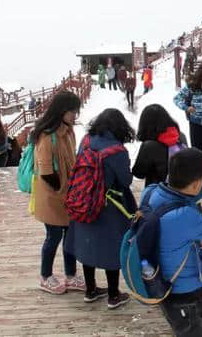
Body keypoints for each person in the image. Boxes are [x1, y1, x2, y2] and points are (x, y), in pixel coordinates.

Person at [143, 148, 202, 336]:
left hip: (161, 281)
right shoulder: (184, 218)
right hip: (186, 293)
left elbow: (178, 198)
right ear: (194, 183)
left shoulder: (151, 193)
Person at [65, 108, 136, 309]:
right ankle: (114, 295)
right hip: (109, 206)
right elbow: (125, 180)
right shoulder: (117, 150)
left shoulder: (86, 141)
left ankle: (91, 290)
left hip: (83, 201)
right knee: (111, 249)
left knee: (88, 246)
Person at [30, 90, 84, 295]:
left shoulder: (68, 131)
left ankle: (71, 275)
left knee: (71, 236)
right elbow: (45, 172)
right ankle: (45, 276)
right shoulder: (46, 136)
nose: (74, 115)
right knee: (53, 237)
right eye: (72, 111)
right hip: (53, 196)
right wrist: (62, 188)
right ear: (61, 110)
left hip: (68, 195)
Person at [132, 104, 187, 187]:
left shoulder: (149, 146)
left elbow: (139, 174)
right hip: (181, 191)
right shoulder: (181, 137)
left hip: (157, 193)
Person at [173, 62, 202, 168]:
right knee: (197, 152)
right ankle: (198, 178)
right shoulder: (191, 86)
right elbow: (177, 99)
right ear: (201, 74)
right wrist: (186, 108)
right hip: (196, 123)